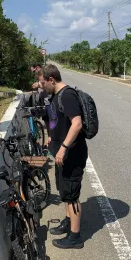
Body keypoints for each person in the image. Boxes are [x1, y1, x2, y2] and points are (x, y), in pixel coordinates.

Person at [39, 64, 88, 249]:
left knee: (72, 196)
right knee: (65, 193)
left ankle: (75, 237)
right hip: (62, 155)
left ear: (51, 80)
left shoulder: (67, 95)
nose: (41, 86)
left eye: (43, 83)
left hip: (72, 155)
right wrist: (52, 138)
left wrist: (63, 147)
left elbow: (77, 124)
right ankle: (68, 223)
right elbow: (57, 121)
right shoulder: (56, 96)